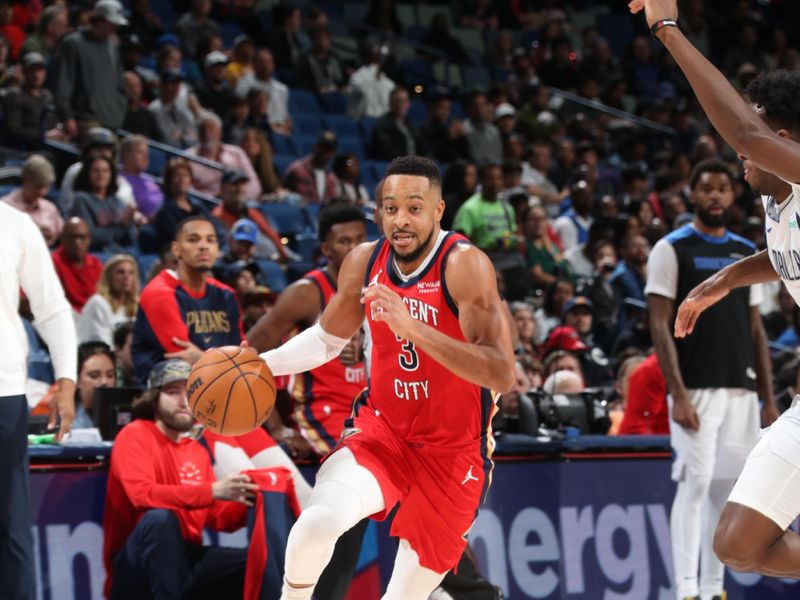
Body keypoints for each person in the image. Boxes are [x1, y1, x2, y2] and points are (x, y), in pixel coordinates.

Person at [257, 155, 515, 600]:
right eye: (390, 208)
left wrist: (415, 329)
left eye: (414, 208)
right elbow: (325, 340)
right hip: (384, 433)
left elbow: (500, 371)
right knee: (317, 524)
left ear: (437, 211)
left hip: (455, 455)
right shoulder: (363, 260)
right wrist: (261, 365)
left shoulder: (464, 265)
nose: (400, 220)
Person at [629, 2, 800, 575]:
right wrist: (723, 279)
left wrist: (667, 29)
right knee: (738, 545)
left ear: (780, 139)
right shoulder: (776, 201)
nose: (736, 152)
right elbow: (783, 259)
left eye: (749, 140)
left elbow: (742, 129)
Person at [645, 158, 776, 600]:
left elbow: (756, 326)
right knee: (695, 484)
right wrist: (677, 392)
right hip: (695, 388)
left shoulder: (748, 252)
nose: (715, 195)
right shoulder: (671, 247)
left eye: (723, 188)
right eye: (706, 188)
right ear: (693, 195)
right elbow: (659, 323)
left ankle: (711, 587)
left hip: (741, 389)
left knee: (726, 489)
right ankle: (684, 588)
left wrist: (768, 396)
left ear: (733, 193)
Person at [102, 359, 259, 599]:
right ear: (154, 399)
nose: (184, 401)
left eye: (191, 393)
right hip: (135, 564)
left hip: (184, 558)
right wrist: (213, 491)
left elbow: (218, 518)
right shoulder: (134, 434)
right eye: (173, 392)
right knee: (159, 519)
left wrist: (254, 500)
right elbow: (142, 496)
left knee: (257, 566)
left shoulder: (195, 450)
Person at [0, 200, 76, 600]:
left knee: (10, 528)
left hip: (3, 393)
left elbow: (51, 308)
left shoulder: (14, 225)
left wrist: (66, 377)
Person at [54, 0, 128, 140]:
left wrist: (118, 113)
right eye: (112, 23)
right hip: (86, 119)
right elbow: (63, 84)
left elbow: (119, 85)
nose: (115, 28)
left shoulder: (112, 47)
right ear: (100, 20)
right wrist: (67, 117)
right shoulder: (73, 43)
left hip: (112, 121)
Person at [210, 171, 288, 261]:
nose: (239, 189)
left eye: (242, 184)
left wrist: (284, 256)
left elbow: (271, 234)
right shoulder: (217, 216)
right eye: (234, 184)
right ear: (222, 189)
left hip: (260, 257)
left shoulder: (251, 211)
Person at [68, 155, 135, 252]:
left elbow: (131, 239)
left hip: (119, 252)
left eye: (105, 171)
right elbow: (90, 236)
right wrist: (120, 226)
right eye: (96, 171)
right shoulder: (81, 199)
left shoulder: (116, 201)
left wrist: (129, 223)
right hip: (96, 254)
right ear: (87, 174)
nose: (101, 175)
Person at [187, 112, 261, 200]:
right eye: (202, 129)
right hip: (205, 206)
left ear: (220, 132)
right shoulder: (188, 157)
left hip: (238, 202)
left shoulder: (237, 152)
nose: (206, 132)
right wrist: (213, 199)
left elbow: (255, 184)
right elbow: (186, 190)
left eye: (210, 128)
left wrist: (236, 197)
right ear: (198, 133)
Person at [0, 52, 57, 153]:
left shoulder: (46, 96)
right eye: (32, 70)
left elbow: (51, 123)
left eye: (40, 70)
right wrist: (43, 135)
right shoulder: (14, 96)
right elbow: (13, 132)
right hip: (18, 150)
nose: (36, 74)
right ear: (24, 72)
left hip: (44, 147)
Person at [1, 154, 62, 246]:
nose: (42, 192)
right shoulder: (5, 206)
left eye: (46, 187)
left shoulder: (50, 208)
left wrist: (50, 237)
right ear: (26, 180)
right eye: (38, 187)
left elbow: (63, 237)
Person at [78, 254, 139, 346]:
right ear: (109, 277)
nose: (126, 277)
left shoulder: (135, 305)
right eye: (120, 272)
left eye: (131, 273)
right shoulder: (97, 303)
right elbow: (100, 343)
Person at [453, 164, 516, 252]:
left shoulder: (507, 207)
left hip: (505, 256)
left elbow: (511, 232)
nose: (495, 183)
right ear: (481, 181)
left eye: (498, 178)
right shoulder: (470, 207)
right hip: (481, 256)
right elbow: (459, 241)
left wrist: (506, 242)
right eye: (490, 179)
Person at [51, 217, 104, 314]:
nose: (77, 242)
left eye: (82, 237)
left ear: (89, 240)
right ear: (62, 239)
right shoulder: (52, 262)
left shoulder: (96, 263)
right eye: (72, 237)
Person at [236, 48, 291, 135]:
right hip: (253, 129)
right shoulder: (245, 82)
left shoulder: (282, 89)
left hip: (276, 131)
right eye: (262, 62)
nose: (266, 65)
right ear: (254, 64)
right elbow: (239, 110)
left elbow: (284, 117)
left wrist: (282, 128)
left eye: (269, 62)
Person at [72, 341, 117, 429]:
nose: (104, 382)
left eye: (110, 375)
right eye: (94, 376)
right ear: (77, 380)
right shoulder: (66, 424)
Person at [284, 131, 339, 204]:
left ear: (334, 153)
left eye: (329, 149)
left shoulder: (331, 177)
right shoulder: (297, 169)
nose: (325, 151)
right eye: (322, 147)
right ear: (316, 146)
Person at [119, 135, 164, 219]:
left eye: (146, 153)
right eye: (140, 152)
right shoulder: (119, 181)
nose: (146, 157)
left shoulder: (149, 179)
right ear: (126, 155)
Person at [368, 87, 418, 160]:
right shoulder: (382, 125)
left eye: (403, 101)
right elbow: (388, 151)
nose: (400, 105)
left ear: (408, 104)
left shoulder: (410, 124)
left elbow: (421, 146)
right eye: (397, 101)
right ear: (390, 103)